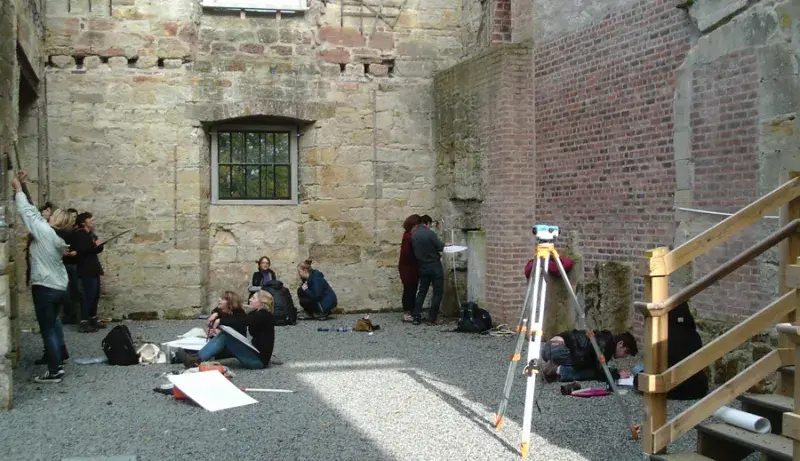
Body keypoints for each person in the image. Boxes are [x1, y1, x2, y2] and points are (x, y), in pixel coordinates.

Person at [12, 173, 70, 383]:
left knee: (47, 329)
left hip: (45, 287)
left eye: (51, 213)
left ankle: (55, 370)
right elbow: (35, 213)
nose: (47, 213)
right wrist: (25, 186)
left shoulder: (45, 232)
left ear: (55, 219)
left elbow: (28, 214)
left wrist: (18, 189)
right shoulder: (55, 236)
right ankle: (59, 359)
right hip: (58, 286)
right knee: (53, 324)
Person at [178, 290, 276, 369]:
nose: (250, 299)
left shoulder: (264, 315)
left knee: (225, 337)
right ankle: (195, 358)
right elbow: (236, 310)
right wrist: (216, 313)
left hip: (258, 362)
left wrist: (221, 321)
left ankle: (195, 360)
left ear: (261, 302)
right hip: (254, 355)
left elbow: (242, 320)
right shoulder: (257, 313)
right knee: (224, 335)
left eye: (253, 298)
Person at [540, 329, 637, 383]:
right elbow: (600, 372)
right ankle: (556, 369)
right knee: (591, 372)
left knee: (589, 364)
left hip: (550, 348)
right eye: (626, 352)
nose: (624, 356)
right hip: (556, 349)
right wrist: (617, 375)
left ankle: (554, 367)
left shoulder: (605, 339)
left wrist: (614, 371)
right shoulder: (606, 345)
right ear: (620, 344)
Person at [72, 212, 106, 332]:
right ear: (83, 222)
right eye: (89, 219)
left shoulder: (89, 234)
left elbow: (94, 250)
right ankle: (84, 322)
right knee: (88, 296)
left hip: (92, 267)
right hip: (86, 269)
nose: (92, 221)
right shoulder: (80, 234)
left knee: (95, 295)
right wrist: (94, 246)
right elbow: (81, 251)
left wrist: (99, 246)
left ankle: (93, 318)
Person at [411, 214, 446, 325]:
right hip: (434, 266)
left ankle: (416, 316)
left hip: (422, 266)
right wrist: (446, 244)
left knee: (422, 291)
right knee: (437, 292)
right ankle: (432, 318)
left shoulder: (414, 235)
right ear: (427, 223)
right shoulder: (430, 233)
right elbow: (440, 247)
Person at [398, 214, 421, 323]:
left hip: (410, 267)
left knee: (411, 289)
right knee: (409, 290)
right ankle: (407, 312)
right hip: (408, 268)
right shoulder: (408, 238)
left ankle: (410, 311)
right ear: (414, 226)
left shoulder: (407, 236)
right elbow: (408, 254)